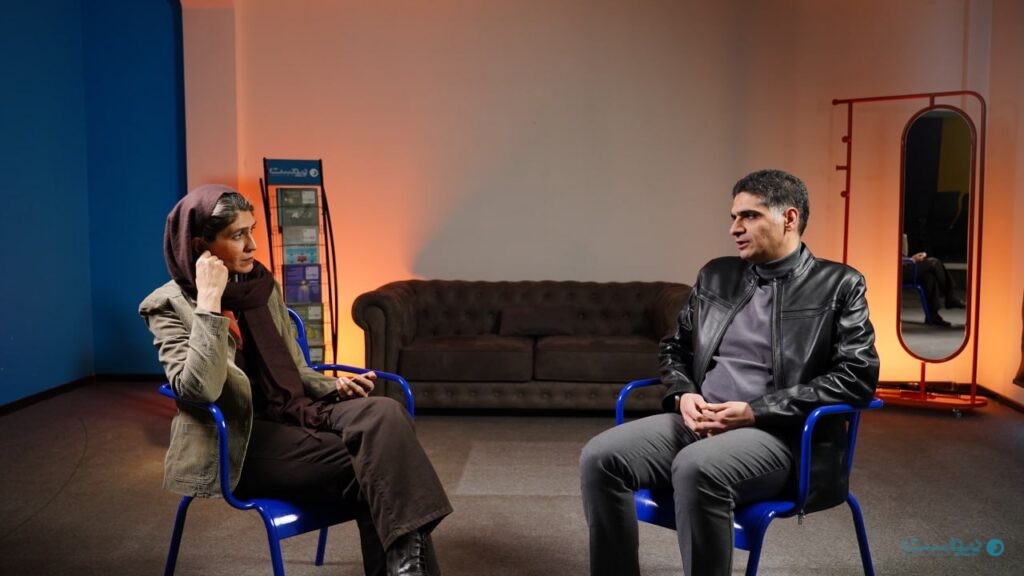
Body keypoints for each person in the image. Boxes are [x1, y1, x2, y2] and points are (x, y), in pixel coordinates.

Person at [140, 184, 452, 576]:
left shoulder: (259, 287)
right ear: (202, 246)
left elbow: (296, 368)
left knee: (385, 413)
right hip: (239, 443)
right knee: (381, 466)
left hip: (291, 414)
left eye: (252, 230)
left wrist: (331, 386)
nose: (253, 245)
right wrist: (208, 306)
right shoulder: (167, 306)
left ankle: (407, 569)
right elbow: (198, 389)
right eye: (238, 235)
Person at [579, 169, 879, 576]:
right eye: (734, 217)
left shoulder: (839, 285)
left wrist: (757, 411)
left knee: (696, 467)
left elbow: (857, 376)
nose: (735, 228)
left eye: (749, 216)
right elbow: (675, 347)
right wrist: (683, 393)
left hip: (781, 437)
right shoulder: (716, 275)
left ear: (789, 219)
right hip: (700, 420)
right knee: (600, 458)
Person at [901, 236, 965, 327]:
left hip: (903, 268)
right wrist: (912, 260)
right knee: (934, 263)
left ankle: (933, 315)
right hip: (892, 273)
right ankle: (950, 297)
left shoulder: (901, 236)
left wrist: (912, 258)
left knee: (929, 277)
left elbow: (902, 258)